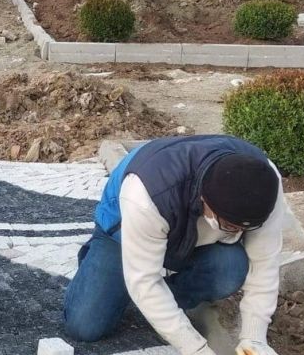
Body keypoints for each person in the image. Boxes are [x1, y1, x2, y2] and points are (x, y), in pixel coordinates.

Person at [64, 135, 286, 355]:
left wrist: (255, 338)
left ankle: (159, 305)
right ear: (204, 200)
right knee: (85, 325)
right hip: (124, 228)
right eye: (229, 226)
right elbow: (145, 281)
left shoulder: (265, 187)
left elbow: (264, 263)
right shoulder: (147, 193)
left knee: (230, 269)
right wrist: (196, 349)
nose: (238, 233)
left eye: (245, 229)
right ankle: (114, 277)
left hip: (188, 233)